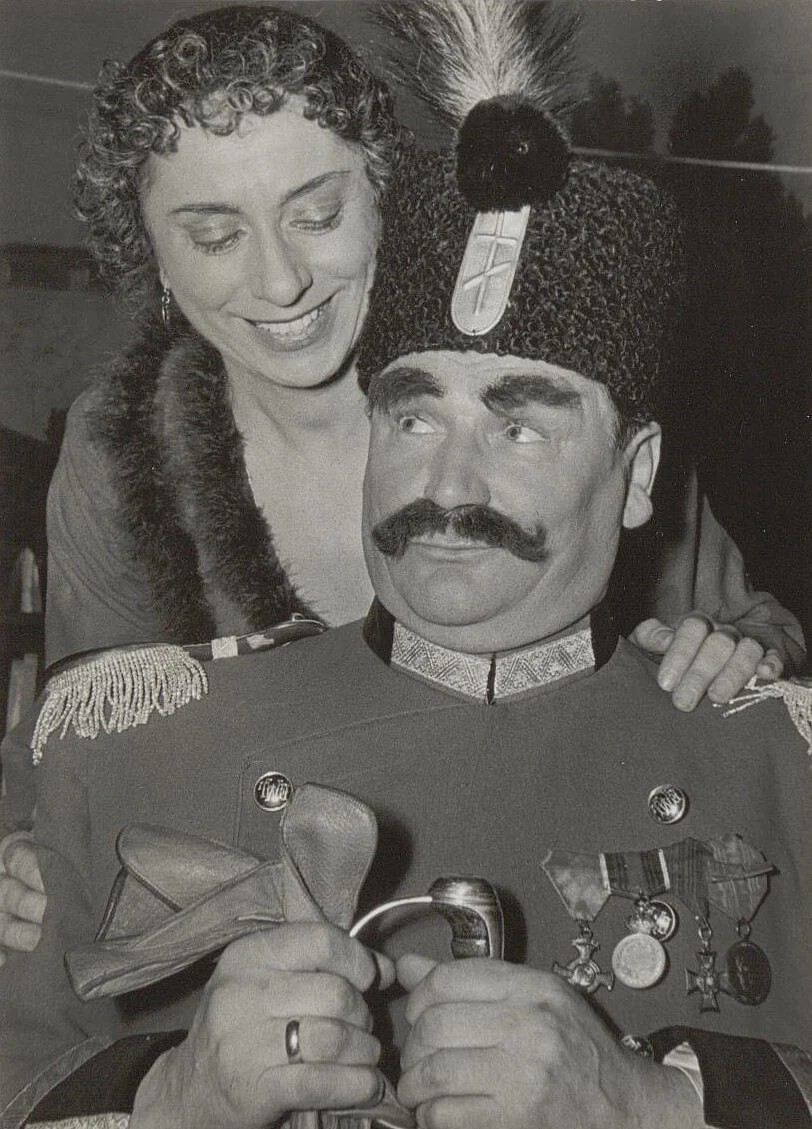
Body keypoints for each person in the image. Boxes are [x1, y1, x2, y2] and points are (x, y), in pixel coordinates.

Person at [1, 4, 810, 1125]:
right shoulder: (118, 448)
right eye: (214, 232)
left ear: (387, 198)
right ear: (155, 261)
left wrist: (743, 660)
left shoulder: (552, 337)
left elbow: (739, 651)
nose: (279, 282)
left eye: (317, 212)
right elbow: (87, 746)